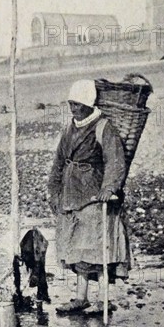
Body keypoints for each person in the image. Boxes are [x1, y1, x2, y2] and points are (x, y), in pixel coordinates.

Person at [48, 79, 130, 314]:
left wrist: (109, 187)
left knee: (97, 248)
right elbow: (58, 162)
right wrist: (53, 190)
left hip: (94, 196)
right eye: (70, 104)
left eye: (77, 104)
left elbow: (114, 160)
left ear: (88, 104)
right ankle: (80, 297)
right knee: (76, 248)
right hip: (71, 193)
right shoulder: (69, 128)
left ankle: (102, 299)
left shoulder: (103, 127)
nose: (73, 109)